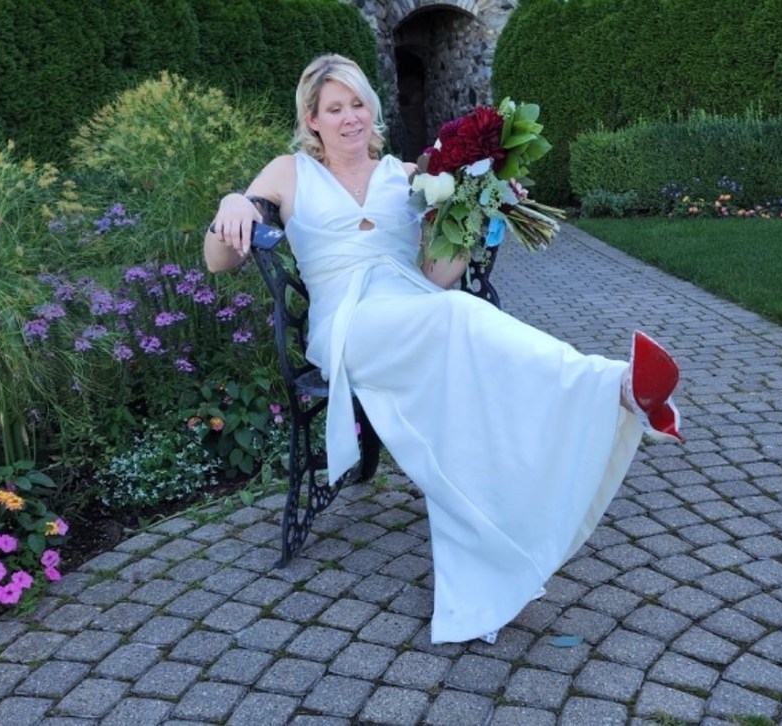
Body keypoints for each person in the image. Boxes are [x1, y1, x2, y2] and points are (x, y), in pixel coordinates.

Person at [204, 54, 683, 645]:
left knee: (461, 344)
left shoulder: (408, 175)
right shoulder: (288, 172)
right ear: (313, 118)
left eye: (358, 104)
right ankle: (614, 386)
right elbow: (219, 261)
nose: (350, 117)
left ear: (372, 110)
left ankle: (594, 413)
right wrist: (233, 203)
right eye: (335, 108)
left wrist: (475, 203)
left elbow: (438, 276)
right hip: (349, 325)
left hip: (416, 309)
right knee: (461, 317)